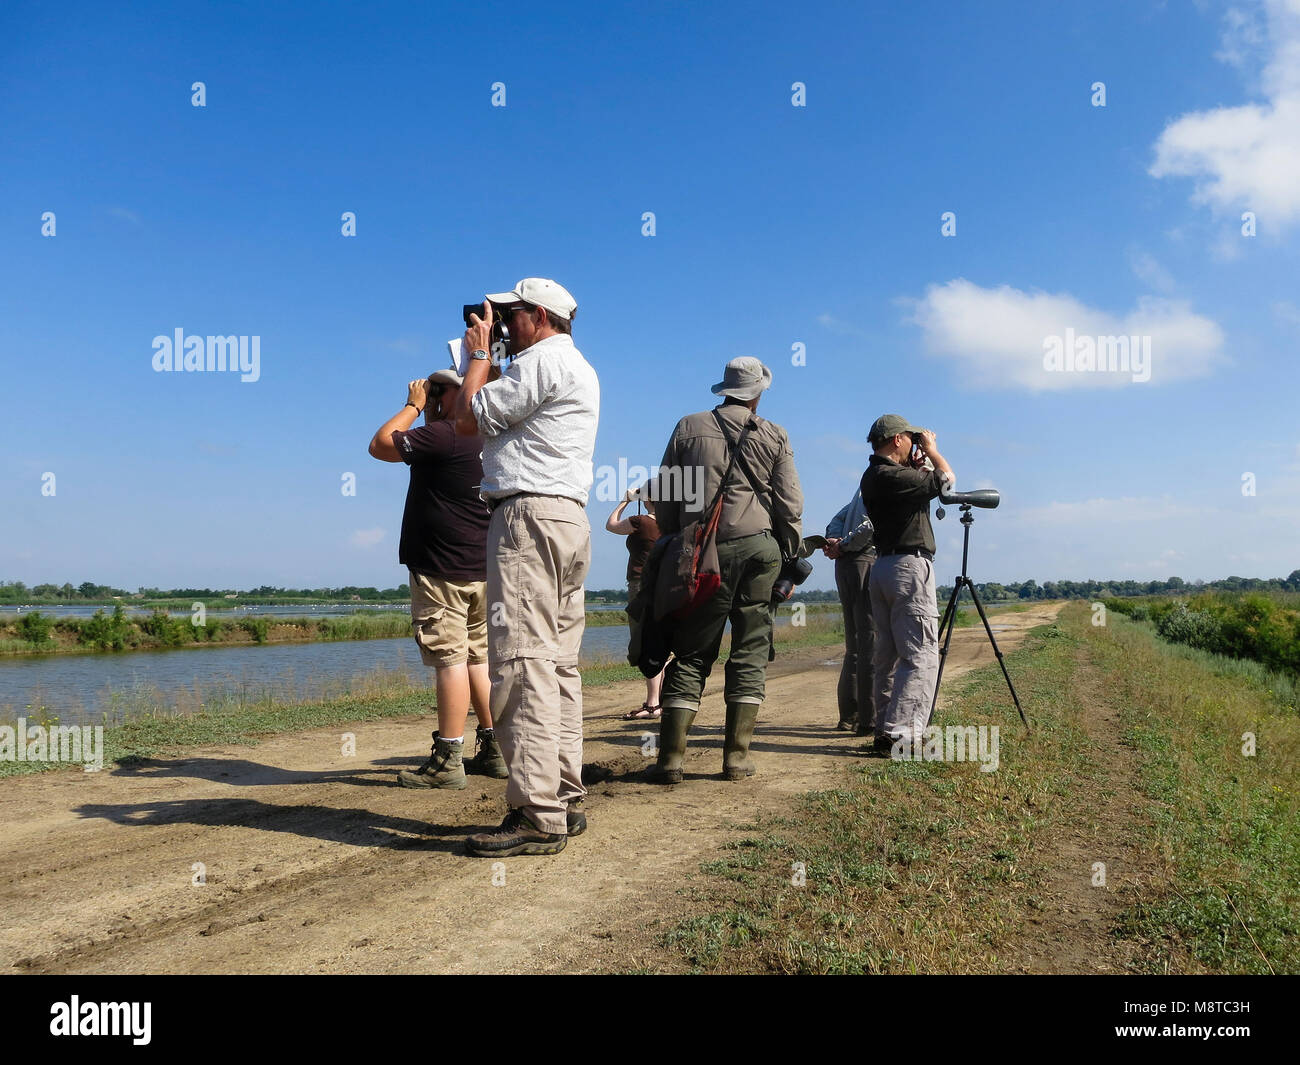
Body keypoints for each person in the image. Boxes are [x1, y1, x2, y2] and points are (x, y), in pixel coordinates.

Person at [454, 278, 599, 857]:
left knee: (520, 659)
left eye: (511, 315)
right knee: (559, 661)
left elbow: (466, 418)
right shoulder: (578, 365)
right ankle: (562, 794)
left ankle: (537, 813)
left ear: (539, 316)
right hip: (568, 518)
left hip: (526, 516)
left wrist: (478, 356)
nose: (505, 324)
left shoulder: (539, 361)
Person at [644, 356, 803, 784]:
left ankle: (671, 761)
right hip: (759, 550)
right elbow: (790, 503)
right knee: (750, 650)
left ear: (725, 389)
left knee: (693, 651)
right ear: (759, 392)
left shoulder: (688, 426)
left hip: (702, 553)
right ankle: (735, 758)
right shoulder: (774, 433)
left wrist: (680, 541)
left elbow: (665, 493)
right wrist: (789, 551)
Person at [367, 369, 507, 788]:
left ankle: (449, 758)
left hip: (440, 571)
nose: (429, 400)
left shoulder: (444, 435)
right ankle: (495, 747)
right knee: (478, 659)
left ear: (450, 397)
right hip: (483, 570)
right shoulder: (490, 438)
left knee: (449, 660)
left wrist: (412, 405)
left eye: (435, 392)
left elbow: (379, 445)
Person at [859, 414, 955, 756]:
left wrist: (919, 463)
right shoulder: (890, 475)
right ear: (897, 439)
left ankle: (885, 730)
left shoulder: (875, 476)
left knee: (886, 656)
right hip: (908, 569)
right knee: (920, 655)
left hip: (882, 566)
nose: (916, 446)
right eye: (911, 441)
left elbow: (921, 486)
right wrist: (934, 451)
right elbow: (946, 483)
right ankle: (903, 737)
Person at [605, 486, 665, 719]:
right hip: (664, 586)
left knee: (643, 640)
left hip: (641, 585)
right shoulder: (672, 524)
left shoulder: (641, 521)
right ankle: (660, 699)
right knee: (660, 639)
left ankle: (652, 704)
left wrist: (625, 501)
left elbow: (611, 525)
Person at [823, 486, 877, 735]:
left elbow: (839, 517)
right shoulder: (887, 478)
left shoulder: (863, 488)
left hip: (847, 564)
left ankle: (850, 716)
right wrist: (843, 545)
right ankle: (868, 718)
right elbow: (870, 526)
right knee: (869, 644)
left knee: (855, 647)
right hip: (862, 560)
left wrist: (835, 540)